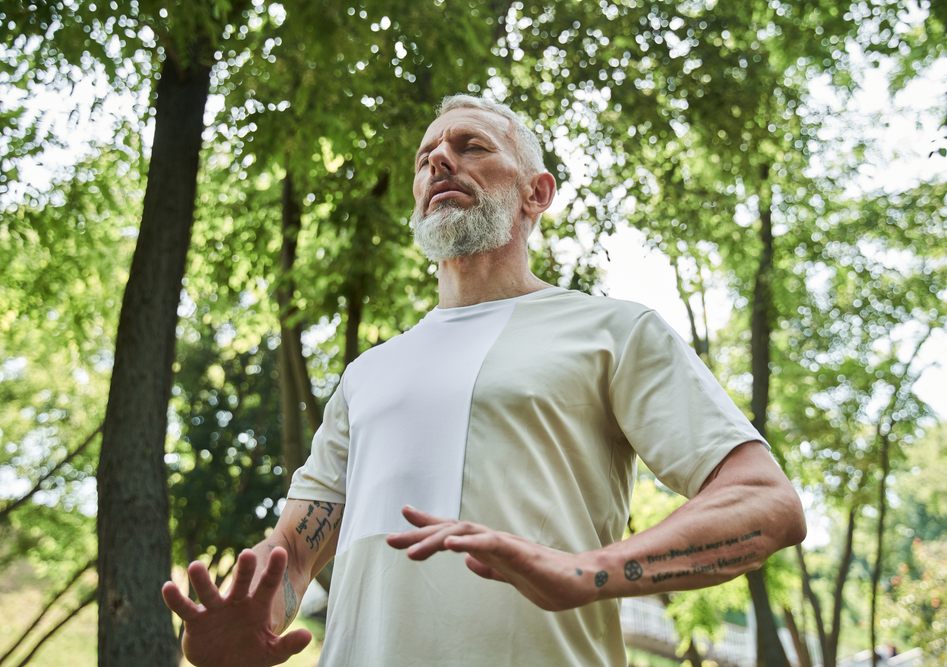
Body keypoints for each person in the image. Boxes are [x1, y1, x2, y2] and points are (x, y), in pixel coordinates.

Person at [162, 94, 807, 667]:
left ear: (537, 193)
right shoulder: (366, 375)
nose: (440, 159)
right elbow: (293, 556)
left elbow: (765, 504)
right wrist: (246, 627)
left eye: (472, 146)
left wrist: (592, 572)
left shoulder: (614, 331)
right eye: (427, 156)